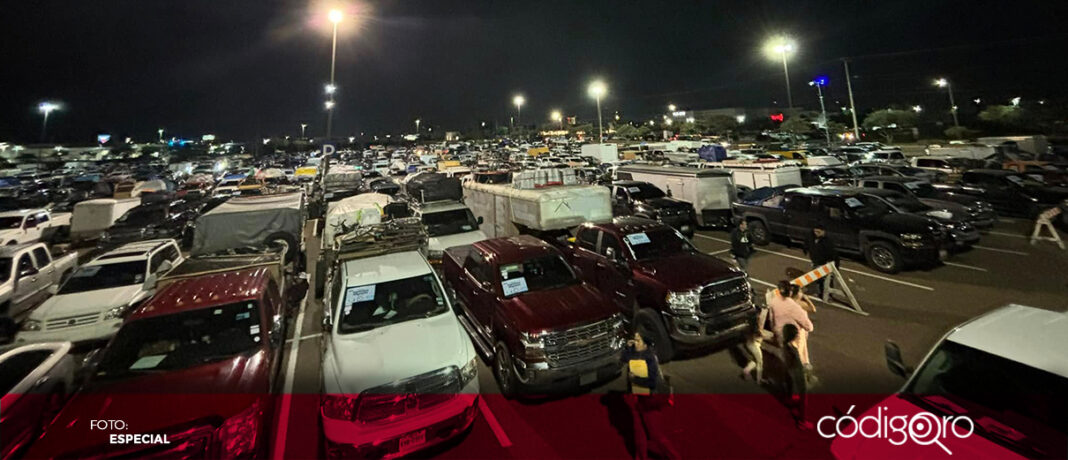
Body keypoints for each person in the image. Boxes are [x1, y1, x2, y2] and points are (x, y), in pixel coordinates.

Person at [622, 332, 680, 460]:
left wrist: (635, 379)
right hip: (638, 399)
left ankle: (673, 457)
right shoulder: (636, 354)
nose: (635, 342)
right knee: (639, 433)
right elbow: (623, 358)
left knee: (655, 434)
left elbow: (651, 381)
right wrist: (627, 347)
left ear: (645, 344)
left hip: (650, 400)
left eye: (638, 341)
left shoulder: (649, 358)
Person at [767, 280, 814, 368]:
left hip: (779, 334)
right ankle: (803, 364)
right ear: (790, 292)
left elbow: (771, 319)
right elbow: (809, 327)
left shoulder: (774, 301)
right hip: (792, 337)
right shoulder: (794, 307)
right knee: (802, 334)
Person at [782, 323, 812, 430]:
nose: (798, 335)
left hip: (790, 372)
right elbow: (799, 365)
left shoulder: (785, 345)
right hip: (798, 374)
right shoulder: (793, 349)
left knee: (793, 392)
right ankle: (802, 421)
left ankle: (790, 401)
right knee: (804, 397)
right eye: (797, 333)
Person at [804, 225, 839, 297]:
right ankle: (818, 292)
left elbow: (833, 254)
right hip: (816, 261)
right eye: (815, 231)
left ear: (823, 231)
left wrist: (834, 267)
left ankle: (828, 295)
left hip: (825, 262)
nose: (816, 233)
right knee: (817, 278)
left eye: (818, 232)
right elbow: (807, 242)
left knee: (827, 279)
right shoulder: (811, 236)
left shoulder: (828, 241)